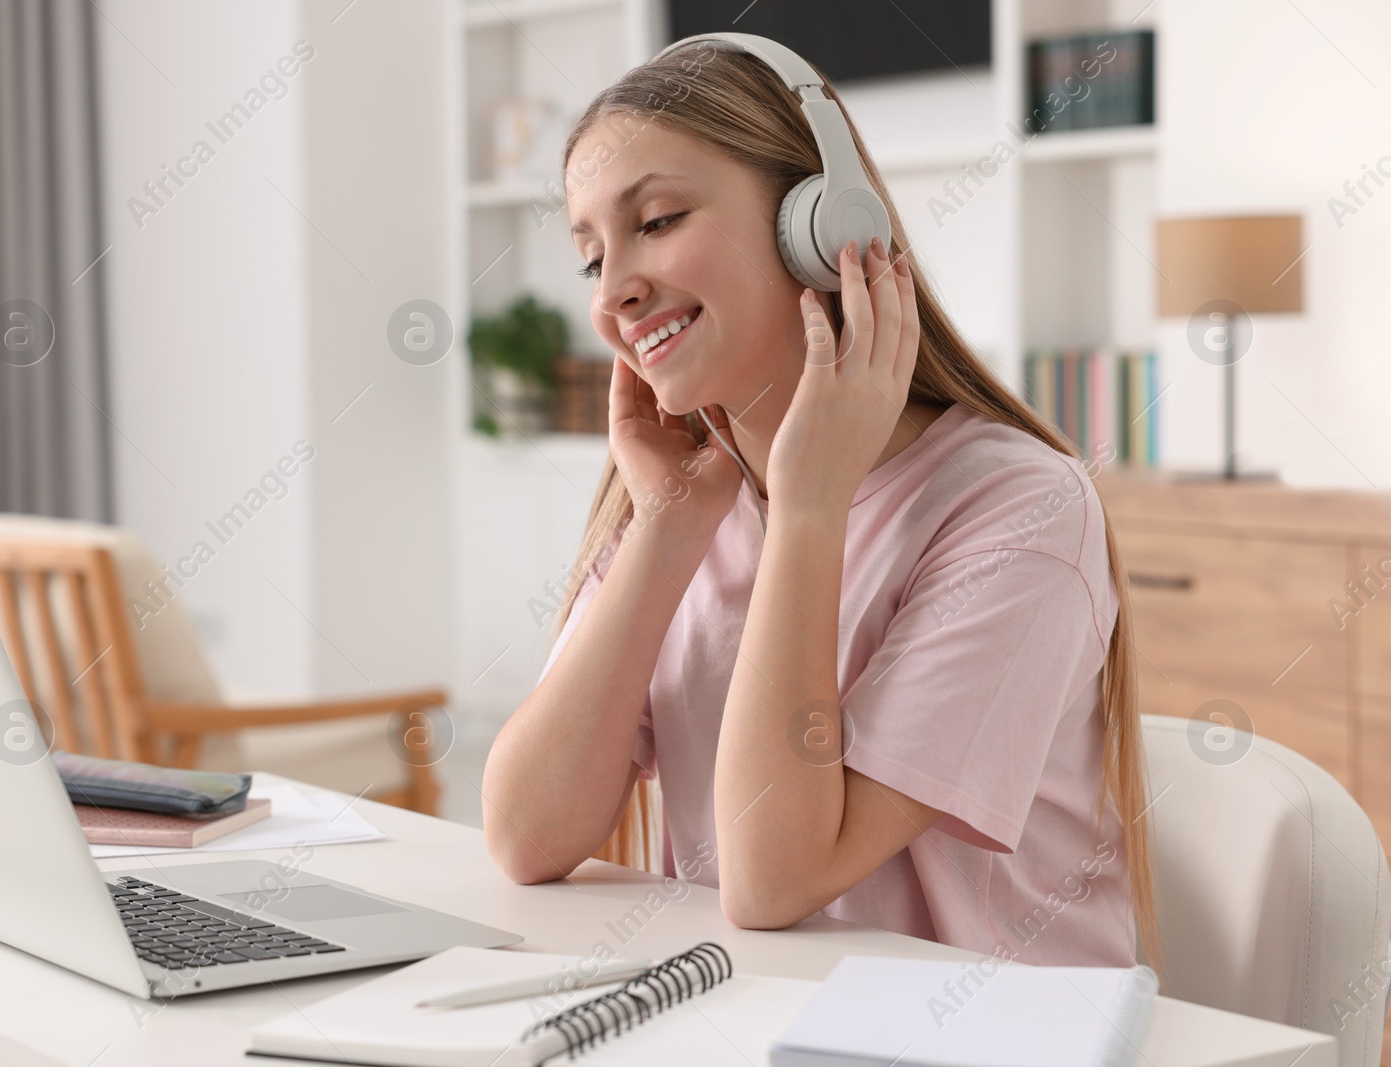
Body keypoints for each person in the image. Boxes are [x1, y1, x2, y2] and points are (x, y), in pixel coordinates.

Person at [480, 38, 1159, 972]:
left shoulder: (1021, 510)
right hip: (760, 1019)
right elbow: (526, 833)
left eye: (660, 217)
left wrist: (808, 509)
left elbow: (770, 879)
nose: (615, 293)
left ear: (820, 222)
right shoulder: (686, 502)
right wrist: (667, 534)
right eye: (591, 256)